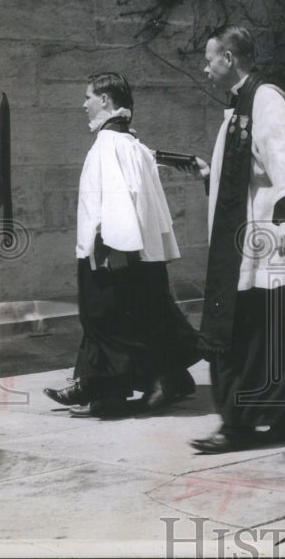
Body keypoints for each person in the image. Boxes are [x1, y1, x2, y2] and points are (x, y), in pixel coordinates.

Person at [189, 26, 285, 454]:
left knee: (252, 335)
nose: (204, 68)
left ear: (229, 58)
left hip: (269, 244)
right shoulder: (244, 103)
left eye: (209, 59)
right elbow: (251, 172)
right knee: (275, 334)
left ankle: (238, 424)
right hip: (255, 240)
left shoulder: (266, 100)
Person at [44, 73, 200, 417]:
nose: (84, 104)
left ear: (105, 100)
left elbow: (116, 200)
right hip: (136, 252)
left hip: (111, 252)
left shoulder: (109, 146)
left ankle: (132, 383)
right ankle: (98, 388)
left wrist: (114, 247)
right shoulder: (132, 145)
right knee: (115, 320)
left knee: (103, 318)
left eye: (88, 97)